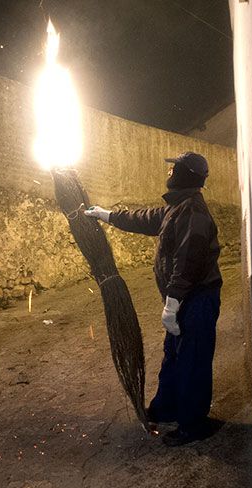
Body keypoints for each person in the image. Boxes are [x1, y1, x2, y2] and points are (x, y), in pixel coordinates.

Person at [84, 152, 222, 446]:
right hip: (187, 299)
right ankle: (167, 408)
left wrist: (173, 303)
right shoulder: (178, 208)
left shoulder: (194, 212)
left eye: (174, 167)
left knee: (192, 360)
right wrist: (107, 215)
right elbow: (144, 218)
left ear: (185, 174)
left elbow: (188, 263)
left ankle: (193, 424)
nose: (169, 170)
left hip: (196, 300)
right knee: (174, 353)